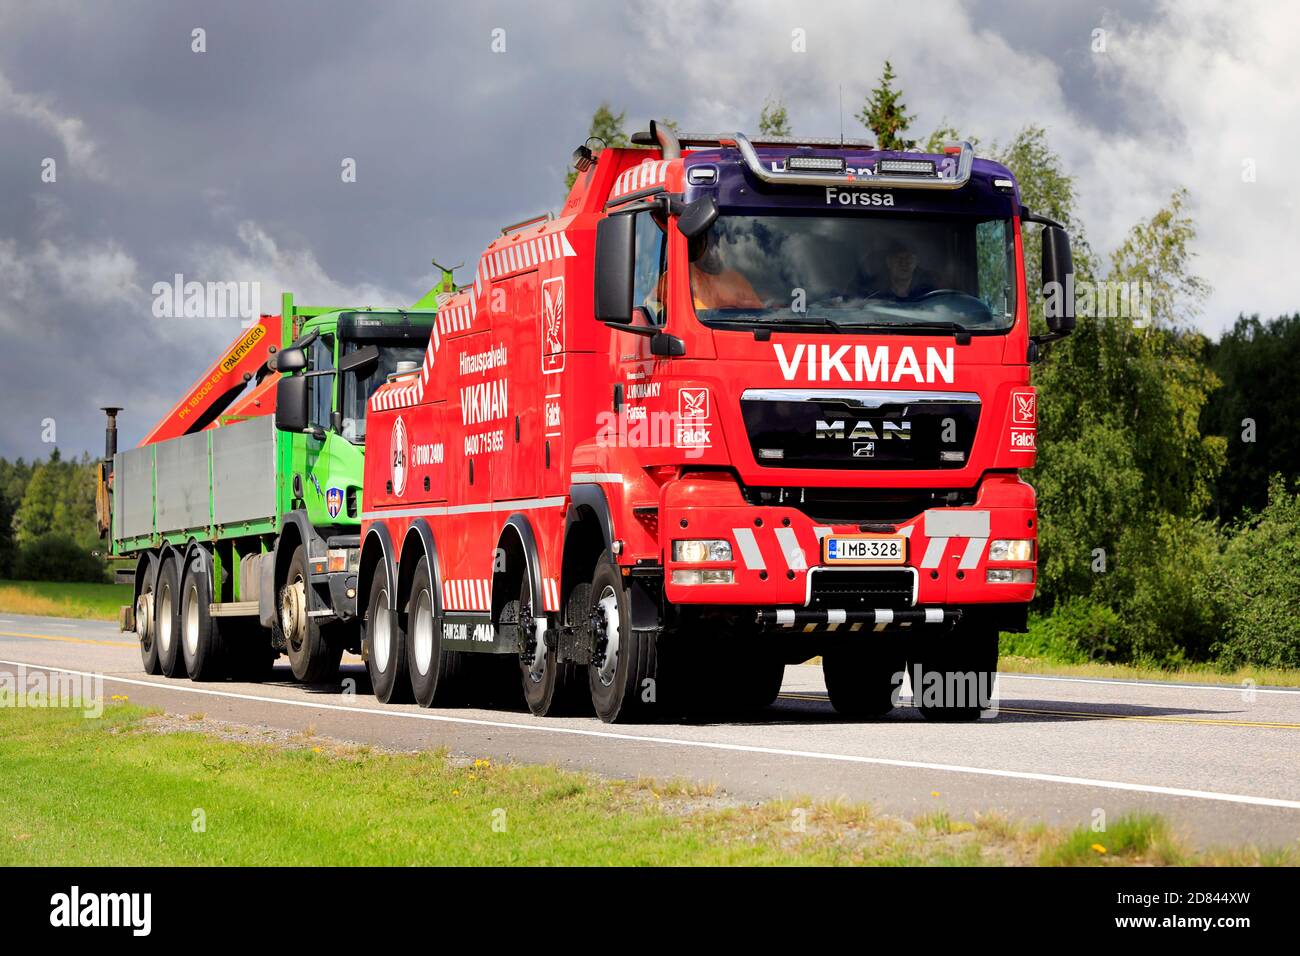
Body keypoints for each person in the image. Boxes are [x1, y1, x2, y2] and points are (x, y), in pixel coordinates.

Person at [687, 231, 764, 310]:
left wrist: (738, 305)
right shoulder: (684, 275)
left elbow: (757, 311)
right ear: (695, 249)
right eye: (706, 245)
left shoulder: (736, 279)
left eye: (716, 244)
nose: (713, 252)